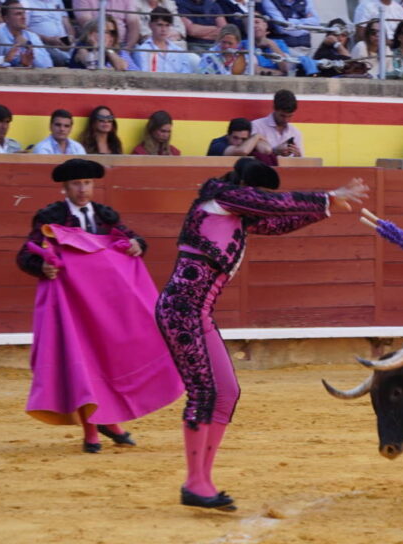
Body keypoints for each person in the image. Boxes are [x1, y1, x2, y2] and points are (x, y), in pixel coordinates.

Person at [155, 157, 369, 511]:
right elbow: (272, 204)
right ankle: (195, 483)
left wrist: (326, 208)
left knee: (226, 392)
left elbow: (278, 222)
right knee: (205, 392)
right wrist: (327, 196)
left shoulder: (236, 214)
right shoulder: (219, 197)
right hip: (181, 310)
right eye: (257, 191)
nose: (259, 198)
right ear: (245, 187)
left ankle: (201, 481)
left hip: (197, 312)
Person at [17, 158, 184, 454]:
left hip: (105, 305)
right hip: (72, 306)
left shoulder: (105, 216)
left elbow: (131, 239)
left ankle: (108, 421)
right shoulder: (49, 217)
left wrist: (137, 244)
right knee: (82, 362)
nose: (82, 189)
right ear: (65, 188)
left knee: (109, 359)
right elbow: (25, 255)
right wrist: (42, 266)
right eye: (76, 184)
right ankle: (92, 429)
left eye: (87, 183)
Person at [0, 0, 53, 68]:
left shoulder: (32, 36)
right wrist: (20, 64)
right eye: (18, 14)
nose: (24, 17)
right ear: (6, 18)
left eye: (24, 13)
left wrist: (28, 46)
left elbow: (48, 65)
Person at [134, 7, 191, 72]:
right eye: (160, 25)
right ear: (150, 25)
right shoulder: (143, 50)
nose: (163, 29)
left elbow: (186, 73)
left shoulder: (179, 51)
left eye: (167, 25)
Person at [251, 89, 304, 158]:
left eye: (290, 116)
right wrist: (274, 151)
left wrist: (298, 157)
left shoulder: (295, 133)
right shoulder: (256, 126)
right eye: (282, 116)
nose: (286, 120)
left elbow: (301, 160)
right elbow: (252, 157)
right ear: (274, 108)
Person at [70, 16, 137, 70]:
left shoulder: (108, 50)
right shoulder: (81, 47)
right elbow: (91, 64)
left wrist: (108, 49)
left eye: (112, 33)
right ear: (90, 33)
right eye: (105, 32)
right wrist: (95, 47)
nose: (109, 36)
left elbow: (121, 67)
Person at [21, 0, 73, 65]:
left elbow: (67, 24)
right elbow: (23, 29)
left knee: (81, 52)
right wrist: (47, 39)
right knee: (59, 58)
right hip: (43, 45)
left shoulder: (58, 1)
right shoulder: (26, 3)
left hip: (65, 43)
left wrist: (70, 38)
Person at [72, 0, 139, 50]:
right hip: (93, 45)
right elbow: (89, 26)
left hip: (123, 45)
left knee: (140, 53)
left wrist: (128, 49)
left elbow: (134, 26)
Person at [206, 117, 274, 159]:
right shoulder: (217, 144)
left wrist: (255, 138)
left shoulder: (250, 141)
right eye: (235, 138)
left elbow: (266, 150)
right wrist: (257, 136)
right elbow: (242, 151)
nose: (239, 142)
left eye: (243, 139)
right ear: (228, 135)